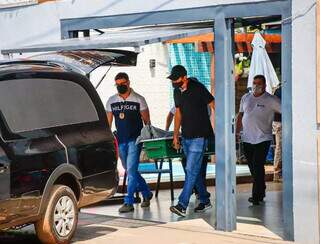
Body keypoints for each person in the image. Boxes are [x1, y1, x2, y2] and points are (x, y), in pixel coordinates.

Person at [168, 65, 215, 217]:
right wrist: (176, 136)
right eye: (172, 79)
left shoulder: (198, 88)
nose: (173, 82)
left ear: (184, 77)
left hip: (200, 137)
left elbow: (214, 105)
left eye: (176, 79)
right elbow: (178, 114)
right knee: (193, 171)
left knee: (190, 170)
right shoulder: (176, 92)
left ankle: (182, 205)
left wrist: (223, 128)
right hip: (186, 137)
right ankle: (205, 199)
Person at [106, 72, 153, 213]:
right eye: (118, 84)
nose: (120, 86)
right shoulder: (111, 101)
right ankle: (146, 193)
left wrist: (148, 139)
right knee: (130, 170)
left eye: (123, 84)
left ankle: (129, 201)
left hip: (135, 140)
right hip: (121, 141)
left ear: (128, 83)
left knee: (131, 170)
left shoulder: (139, 99)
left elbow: (147, 122)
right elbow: (108, 124)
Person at [236, 74, 281, 205]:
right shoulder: (246, 98)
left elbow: (286, 111)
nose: (256, 86)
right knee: (253, 167)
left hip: (263, 138)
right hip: (247, 138)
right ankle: (261, 189)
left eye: (259, 83)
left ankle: (256, 196)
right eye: (254, 83)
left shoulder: (271, 100)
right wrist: (237, 132)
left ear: (264, 85)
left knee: (257, 165)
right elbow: (241, 115)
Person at [165, 106, 211, 199]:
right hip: (187, 138)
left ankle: (185, 199)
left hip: (199, 138)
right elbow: (171, 114)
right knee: (191, 169)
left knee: (195, 169)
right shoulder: (184, 100)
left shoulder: (204, 104)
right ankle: (201, 194)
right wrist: (169, 131)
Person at [273, 84, 282, 181]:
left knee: (280, 147)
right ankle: (277, 173)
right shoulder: (280, 91)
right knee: (280, 147)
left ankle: (278, 173)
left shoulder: (278, 91)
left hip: (279, 122)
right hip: (280, 122)